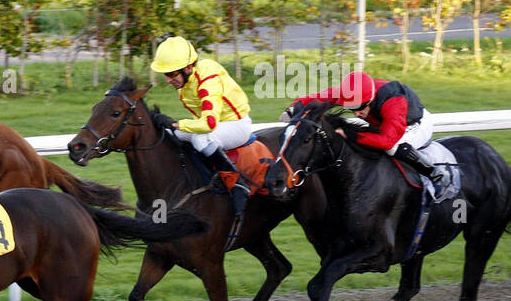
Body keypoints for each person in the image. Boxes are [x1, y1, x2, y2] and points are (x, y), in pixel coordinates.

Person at [284, 70, 451, 195]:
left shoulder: (394, 102)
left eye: (359, 108)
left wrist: (351, 135)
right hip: (384, 123)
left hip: (414, 124)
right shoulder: (354, 94)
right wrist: (293, 108)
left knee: (392, 147)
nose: (356, 113)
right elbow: (319, 97)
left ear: (370, 100)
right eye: (351, 109)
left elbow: (387, 141)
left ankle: (435, 174)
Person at [150, 36, 253, 214]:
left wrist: (175, 123)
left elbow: (209, 123)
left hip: (237, 125)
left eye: (172, 73)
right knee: (169, 135)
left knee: (200, 139)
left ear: (188, 67)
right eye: (165, 74)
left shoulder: (208, 79)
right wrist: (170, 127)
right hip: (219, 126)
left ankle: (238, 185)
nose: (168, 79)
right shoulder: (188, 79)